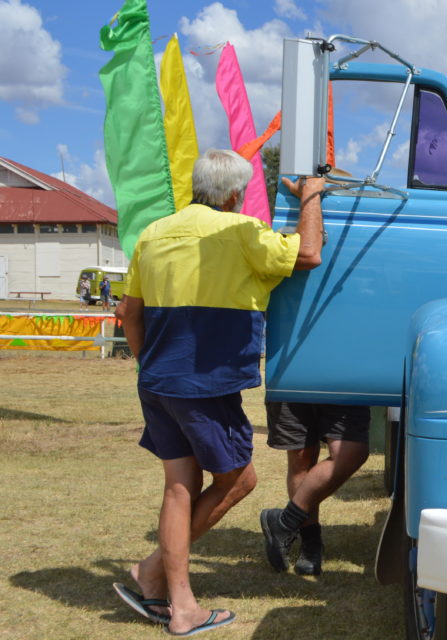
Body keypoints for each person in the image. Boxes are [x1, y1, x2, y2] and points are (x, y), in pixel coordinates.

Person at [112, 149, 325, 636]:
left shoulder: (154, 233)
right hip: (204, 384)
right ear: (233, 195)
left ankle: (152, 574)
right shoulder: (241, 231)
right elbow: (309, 253)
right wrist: (311, 196)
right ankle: (179, 603)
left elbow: (130, 314)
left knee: (180, 488)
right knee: (240, 481)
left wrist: (149, 366)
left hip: (160, 381)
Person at [259, 402, 370, 575]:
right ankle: (310, 543)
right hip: (292, 380)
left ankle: (284, 522)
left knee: (351, 451)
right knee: (302, 456)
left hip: (348, 381)